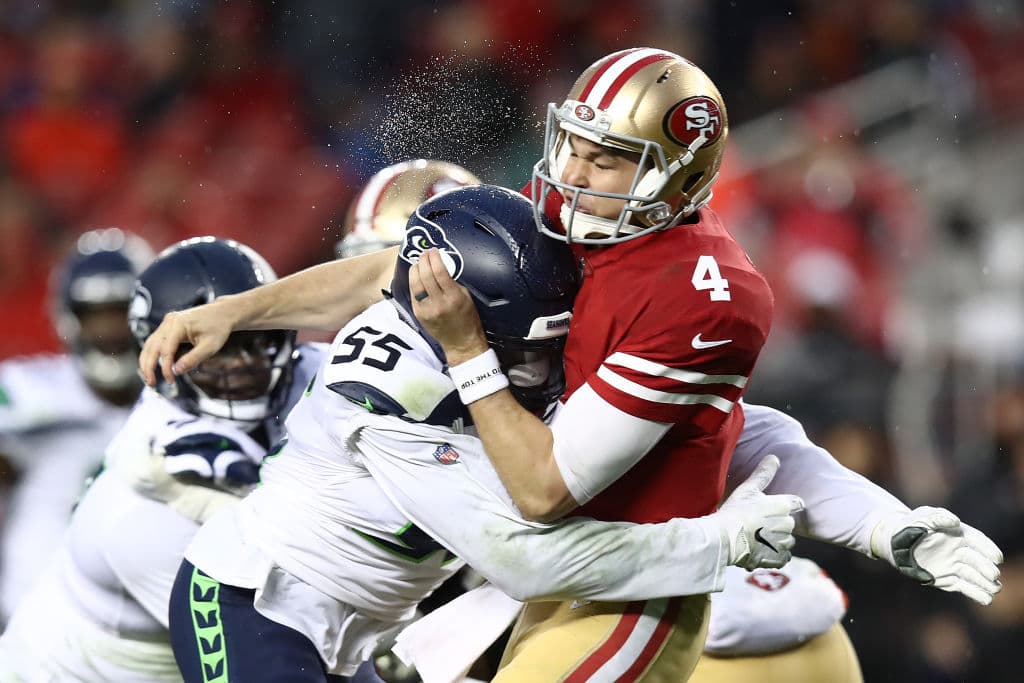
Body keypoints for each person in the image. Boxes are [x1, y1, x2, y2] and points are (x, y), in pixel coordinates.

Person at [141, 50, 1002, 682]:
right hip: (306, 596)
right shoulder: (418, 368)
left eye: (608, 158)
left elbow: (736, 432)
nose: (574, 176)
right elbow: (530, 527)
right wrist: (241, 311)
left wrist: (876, 522)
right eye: (575, 147)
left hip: (611, 593)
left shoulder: (676, 291)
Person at [167, 185, 804, 683]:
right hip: (253, 601)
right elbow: (522, 560)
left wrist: (232, 311)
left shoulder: (454, 309)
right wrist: (713, 544)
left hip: (350, 624)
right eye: (522, 349)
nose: (542, 372)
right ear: (445, 313)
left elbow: (378, 272)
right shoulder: (392, 394)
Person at [0, 237, 357, 682]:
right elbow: (294, 633)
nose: (239, 363)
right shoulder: (153, 477)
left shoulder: (318, 375)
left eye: (250, 337)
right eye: (211, 345)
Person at [0, 227, 153, 622]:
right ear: (68, 317)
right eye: (95, 316)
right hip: (31, 625)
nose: (110, 331)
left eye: (120, 312)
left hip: (142, 634)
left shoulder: (182, 402)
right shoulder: (30, 393)